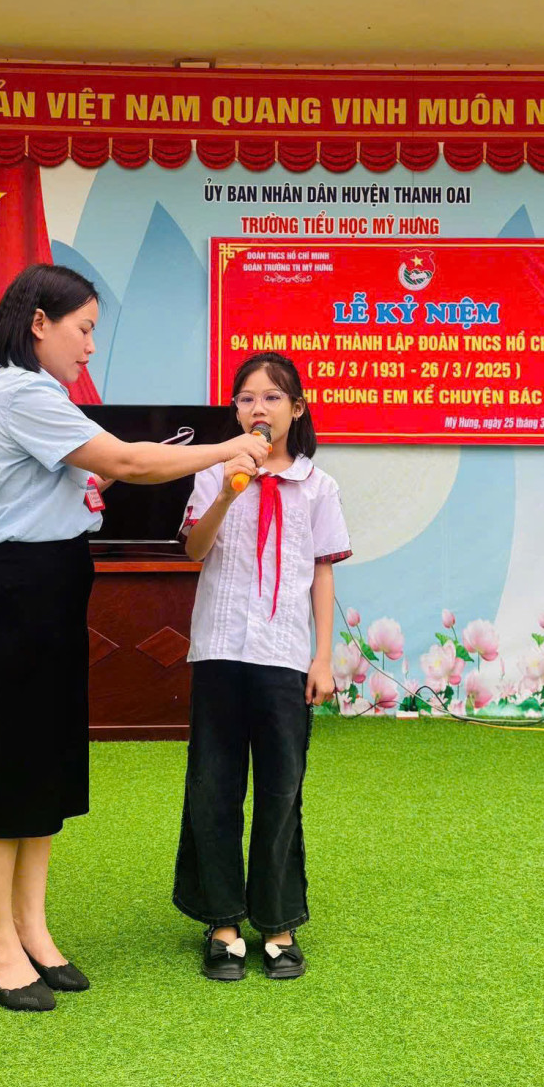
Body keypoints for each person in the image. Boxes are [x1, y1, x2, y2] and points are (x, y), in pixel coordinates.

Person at [0, 263, 270, 1012]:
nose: (90, 345)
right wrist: (226, 447)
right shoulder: (22, 392)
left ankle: (32, 927)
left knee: (45, 760)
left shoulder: (44, 396)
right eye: (84, 328)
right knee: (12, 762)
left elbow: (97, 475)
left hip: (55, 582)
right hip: (23, 589)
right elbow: (128, 461)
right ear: (39, 322)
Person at [173, 351, 352, 982]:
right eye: (247, 398)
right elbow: (194, 549)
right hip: (220, 650)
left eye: (272, 397)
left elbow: (322, 573)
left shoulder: (318, 487)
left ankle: (277, 923)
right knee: (214, 787)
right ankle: (222, 923)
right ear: (236, 410)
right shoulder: (212, 472)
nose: (259, 408)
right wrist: (227, 491)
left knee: (281, 789)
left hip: (283, 655)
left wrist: (322, 658)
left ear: (296, 409)